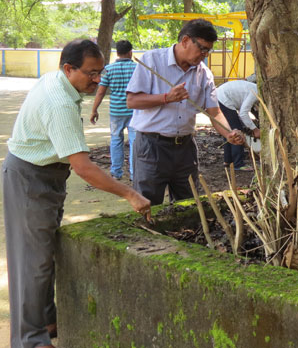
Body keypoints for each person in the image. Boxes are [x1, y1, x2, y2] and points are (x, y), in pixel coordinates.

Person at [2, 39, 151, 348]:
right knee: (33, 263)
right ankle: (29, 340)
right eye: (91, 73)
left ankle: (46, 319)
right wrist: (130, 194)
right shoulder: (59, 103)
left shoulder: (59, 81)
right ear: (69, 69)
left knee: (43, 255)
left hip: (44, 175)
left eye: (100, 72)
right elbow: (84, 168)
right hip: (31, 178)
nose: (97, 80)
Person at [126, 19, 244, 205]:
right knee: (148, 203)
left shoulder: (204, 73)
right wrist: (166, 98)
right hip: (152, 146)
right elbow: (132, 101)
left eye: (208, 51)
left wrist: (228, 133)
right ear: (186, 40)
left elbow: (214, 112)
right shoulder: (152, 61)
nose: (204, 55)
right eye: (202, 49)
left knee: (188, 204)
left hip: (185, 149)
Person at [89, 40, 137, 179]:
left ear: (117, 52)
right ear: (130, 52)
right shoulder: (137, 68)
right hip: (134, 111)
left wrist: (94, 110)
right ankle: (134, 173)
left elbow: (100, 92)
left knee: (116, 139)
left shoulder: (109, 69)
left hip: (116, 112)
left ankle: (116, 172)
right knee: (135, 142)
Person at [216, 79, 260, 170]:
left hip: (221, 96)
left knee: (228, 131)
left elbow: (243, 109)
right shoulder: (255, 92)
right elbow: (243, 113)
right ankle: (238, 164)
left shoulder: (253, 88)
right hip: (224, 99)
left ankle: (228, 161)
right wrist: (255, 130)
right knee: (237, 132)